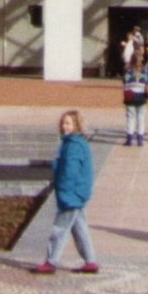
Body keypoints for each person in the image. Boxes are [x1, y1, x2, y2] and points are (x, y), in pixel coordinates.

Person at [34, 110, 99, 274]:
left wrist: (63, 190)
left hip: (71, 193)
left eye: (68, 123)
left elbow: (70, 171)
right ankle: (90, 261)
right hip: (78, 193)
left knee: (60, 229)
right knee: (80, 227)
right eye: (63, 123)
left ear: (76, 125)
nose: (64, 126)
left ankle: (51, 262)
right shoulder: (74, 143)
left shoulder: (74, 145)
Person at [122, 50, 148, 146]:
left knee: (131, 117)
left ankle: (129, 138)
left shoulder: (128, 70)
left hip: (130, 96)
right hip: (141, 96)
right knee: (141, 117)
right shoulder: (144, 70)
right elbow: (147, 81)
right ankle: (140, 138)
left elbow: (125, 80)